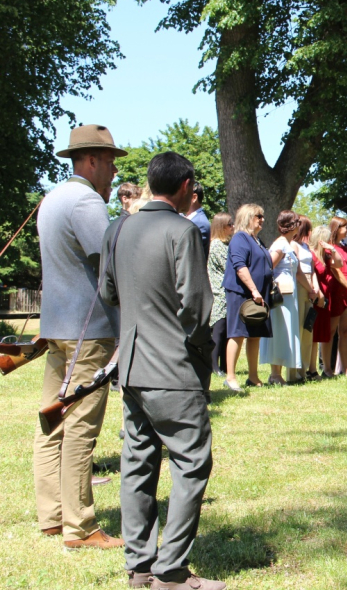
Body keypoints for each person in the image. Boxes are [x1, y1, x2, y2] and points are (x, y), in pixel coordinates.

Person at [100, 151, 224, 590]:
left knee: (138, 463)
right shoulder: (183, 231)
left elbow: (108, 292)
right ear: (187, 185)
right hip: (172, 366)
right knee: (191, 462)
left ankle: (140, 567)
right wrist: (199, 351)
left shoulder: (118, 228)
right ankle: (170, 572)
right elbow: (196, 306)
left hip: (132, 366)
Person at [35, 124, 124, 548]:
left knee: (51, 423)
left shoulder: (53, 198)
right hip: (88, 333)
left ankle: (52, 517)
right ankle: (81, 527)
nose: (114, 172)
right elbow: (111, 265)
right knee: (80, 427)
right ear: (90, 160)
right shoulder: (87, 202)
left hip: (57, 328)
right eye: (109, 162)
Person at [223, 204, 273, 391]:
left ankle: (253, 377)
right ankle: (230, 377)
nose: (262, 219)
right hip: (242, 293)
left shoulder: (256, 240)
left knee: (255, 335)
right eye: (258, 216)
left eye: (262, 216)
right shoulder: (240, 238)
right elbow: (240, 266)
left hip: (258, 295)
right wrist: (253, 290)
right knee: (237, 334)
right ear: (247, 217)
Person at [259, 211, 304, 385]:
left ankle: (277, 373)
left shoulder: (288, 244)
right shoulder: (280, 244)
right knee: (279, 331)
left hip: (289, 295)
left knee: (285, 331)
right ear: (292, 225)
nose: (299, 225)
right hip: (280, 295)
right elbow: (268, 266)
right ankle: (275, 374)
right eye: (297, 222)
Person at [324, 217, 347, 377]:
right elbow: (335, 271)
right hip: (336, 290)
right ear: (337, 228)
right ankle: (327, 368)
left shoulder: (344, 247)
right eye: (345, 227)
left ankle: (346, 368)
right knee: (330, 331)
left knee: (345, 331)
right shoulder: (328, 246)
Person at [207, 212, 235, 376]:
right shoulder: (217, 245)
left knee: (227, 330)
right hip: (219, 291)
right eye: (229, 224)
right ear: (221, 226)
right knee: (219, 328)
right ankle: (214, 365)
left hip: (226, 290)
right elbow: (228, 266)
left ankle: (225, 364)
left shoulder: (226, 244)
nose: (233, 227)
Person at [293, 215, 317, 383]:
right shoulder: (293, 245)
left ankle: (304, 369)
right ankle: (294, 371)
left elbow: (312, 269)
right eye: (309, 228)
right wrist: (309, 288)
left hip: (310, 288)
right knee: (298, 329)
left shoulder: (306, 246)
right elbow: (297, 270)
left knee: (308, 329)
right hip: (300, 287)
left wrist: (315, 288)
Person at [308, 225, 334, 378]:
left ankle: (313, 369)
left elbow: (339, 264)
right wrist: (318, 294)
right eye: (328, 239)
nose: (330, 242)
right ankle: (310, 369)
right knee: (312, 333)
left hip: (326, 298)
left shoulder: (326, 255)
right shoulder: (311, 255)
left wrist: (333, 250)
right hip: (317, 298)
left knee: (318, 335)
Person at [185, 183, 211, 257]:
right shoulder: (190, 219)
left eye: (183, 194)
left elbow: (190, 255)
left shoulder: (199, 223)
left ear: (194, 198)